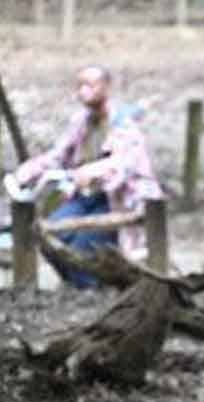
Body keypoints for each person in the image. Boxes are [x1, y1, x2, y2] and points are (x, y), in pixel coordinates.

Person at [8, 65, 162, 289]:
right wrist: (28, 172)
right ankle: (76, 284)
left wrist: (92, 171)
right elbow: (58, 155)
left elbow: (122, 164)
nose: (83, 91)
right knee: (48, 233)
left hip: (117, 198)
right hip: (84, 195)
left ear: (106, 87)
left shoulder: (124, 124)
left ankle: (94, 287)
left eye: (90, 85)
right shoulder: (81, 122)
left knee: (82, 243)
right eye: (80, 85)